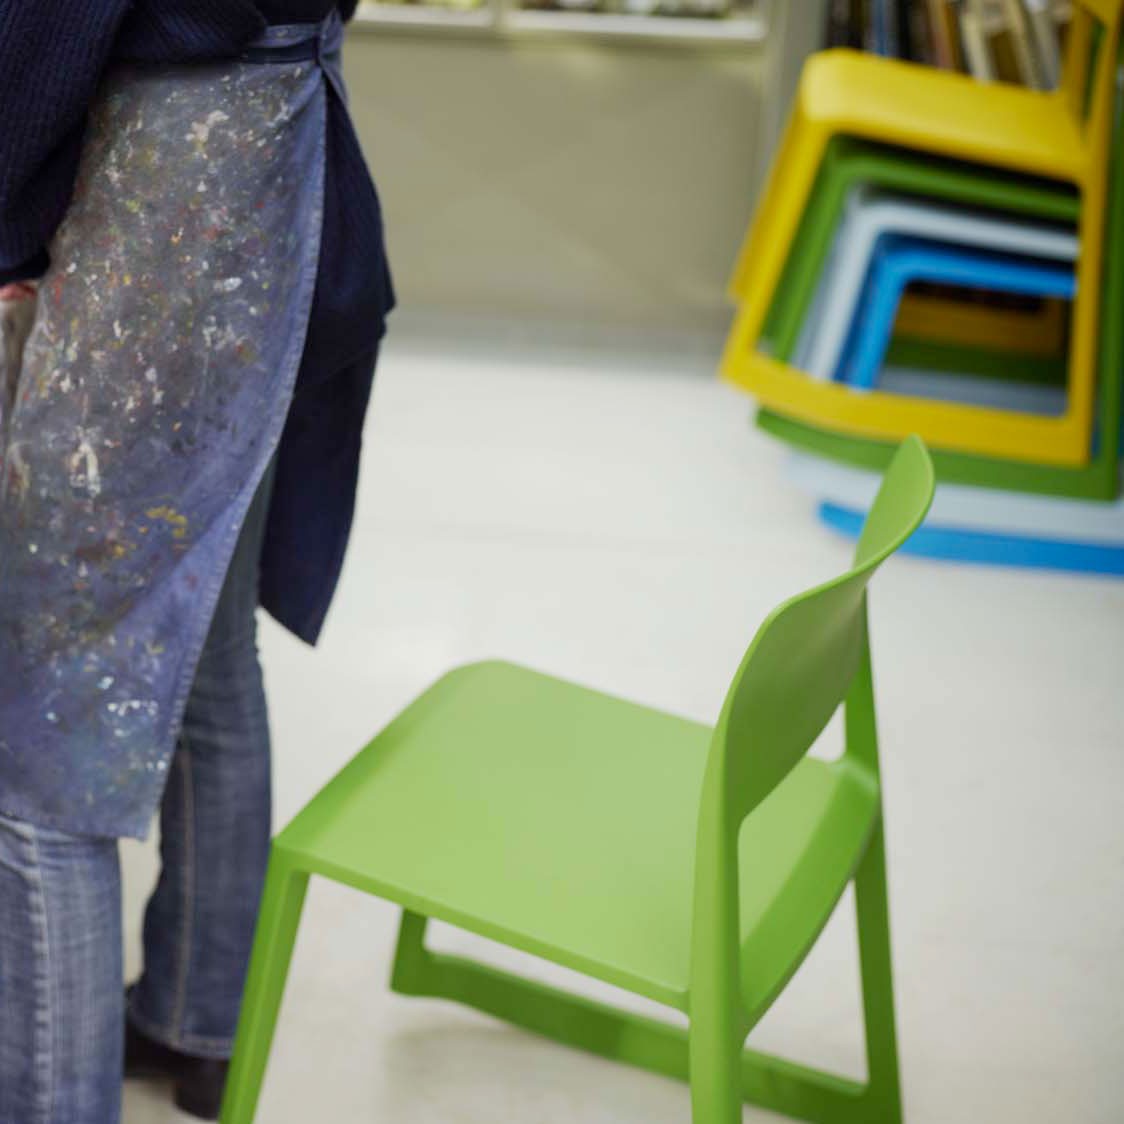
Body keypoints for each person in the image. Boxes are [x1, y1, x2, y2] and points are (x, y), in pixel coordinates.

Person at [0, 2, 394, 1122]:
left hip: (158, 203)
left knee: (47, 723)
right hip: (268, 169)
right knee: (205, 654)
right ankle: (199, 1015)